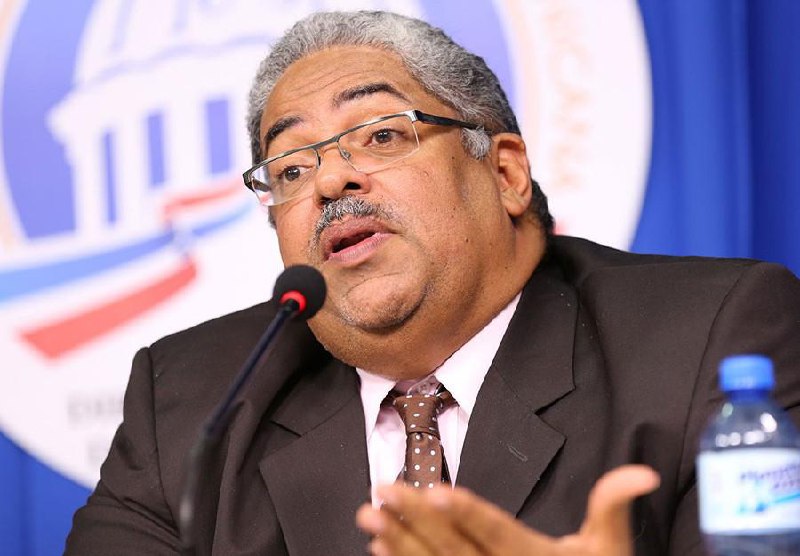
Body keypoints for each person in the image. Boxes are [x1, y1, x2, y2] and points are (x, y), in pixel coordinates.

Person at [65, 10, 800, 556]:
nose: (330, 181)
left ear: (505, 173)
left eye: (381, 134)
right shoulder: (193, 402)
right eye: (290, 169)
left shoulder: (712, 342)